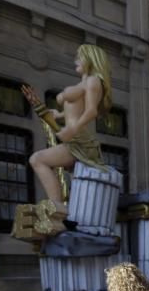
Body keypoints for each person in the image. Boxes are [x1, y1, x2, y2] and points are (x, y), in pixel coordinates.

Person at [21, 44, 113, 222]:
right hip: (74, 139)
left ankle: (57, 208)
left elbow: (91, 111)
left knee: (38, 159)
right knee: (40, 160)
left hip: (80, 141)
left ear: (90, 58)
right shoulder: (82, 83)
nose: (75, 60)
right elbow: (78, 110)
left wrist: (72, 129)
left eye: (79, 56)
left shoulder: (94, 81)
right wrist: (58, 115)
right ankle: (58, 207)